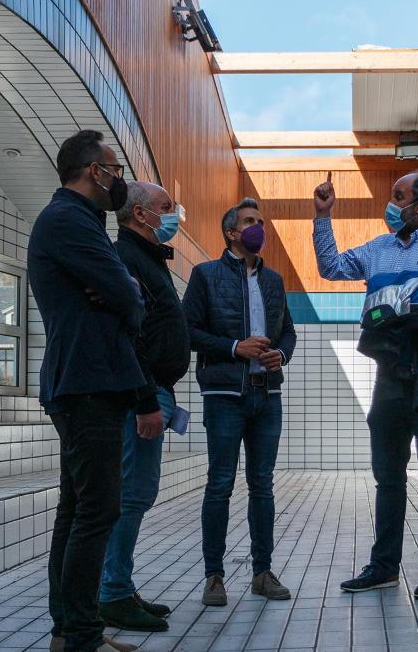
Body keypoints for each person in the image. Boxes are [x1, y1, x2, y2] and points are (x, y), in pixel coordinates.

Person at [312, 170, 418, 599]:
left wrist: (396, 301)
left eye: (398, 197)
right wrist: (322, 216)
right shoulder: (379, 249)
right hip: (390, 371)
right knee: (388, 476)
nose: (391, 204)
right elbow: (331, 267)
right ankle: (384, 566)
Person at [28, 130, 164, 652]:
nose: (119, 178)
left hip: (87, 381)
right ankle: (80, 635)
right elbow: (130, 303)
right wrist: (123, 292)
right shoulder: (67, 220)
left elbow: (125, 295)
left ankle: (71, 632)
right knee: (96, 511)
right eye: (113, 167)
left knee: (78, 509)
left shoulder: (79, 222)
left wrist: (121, 291)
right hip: (85, 384)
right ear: (93, 171)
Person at [183, 198, 297, 607]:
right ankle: (214, 577)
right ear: (232, 232)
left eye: (261, 223)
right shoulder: (206, 275)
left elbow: (289, 333)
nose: (258, 229)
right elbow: (189, 330)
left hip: (267, 395)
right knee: (219, 484)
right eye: (250, 222)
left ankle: (262, 573)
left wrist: (278, 355)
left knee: (262, 486)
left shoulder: (274, 281)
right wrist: (236, 347)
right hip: (224, 396)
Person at [97, 182, 191, 632]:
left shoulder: (148, 259)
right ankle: (112, 593)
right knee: (131, 494)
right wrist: (146, 398)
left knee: (137, 493)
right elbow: (128, 335)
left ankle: (119, 585)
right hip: (143, 391)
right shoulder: (126, 257)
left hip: (153, 388)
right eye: (165, 208)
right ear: (139, 214)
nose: (173, 215)